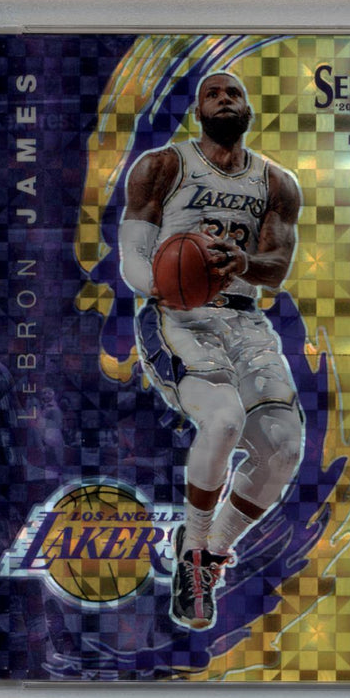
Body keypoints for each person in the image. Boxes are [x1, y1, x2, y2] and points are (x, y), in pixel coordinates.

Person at [118, 71, 304, 629]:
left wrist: (243, 263)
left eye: (234, 94)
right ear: (198, 110)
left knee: (283, 449)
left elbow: (277, 268)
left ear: (248, 109)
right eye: (213, 94)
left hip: (244, 321)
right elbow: (132, 254)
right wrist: (162, 285)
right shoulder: (163, 166)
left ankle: (208, 553)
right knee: (223, 421)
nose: (224, 99)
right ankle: (195, 549)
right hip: (179, 316)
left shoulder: (277, 182)